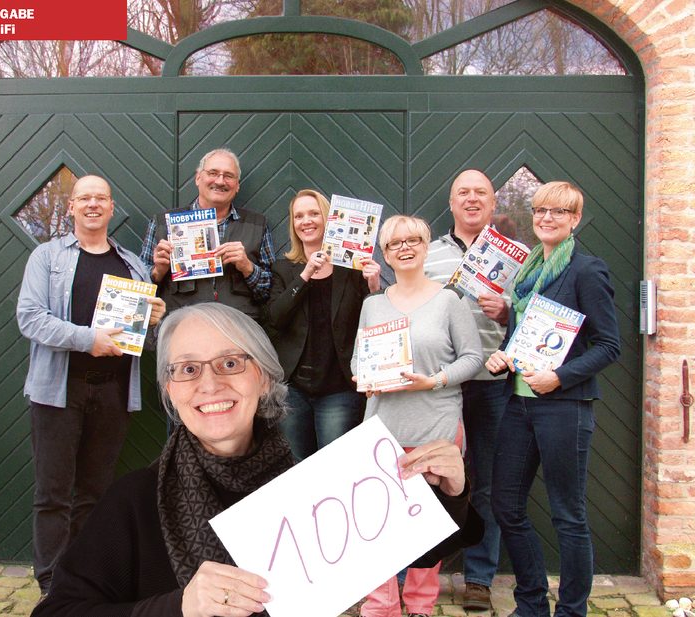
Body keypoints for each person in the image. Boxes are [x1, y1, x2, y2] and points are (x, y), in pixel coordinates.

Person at [31, 302, 483, 617]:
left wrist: (452, 492)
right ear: (170, 389)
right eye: (187, 369)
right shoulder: (133, 501)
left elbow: (416, 551)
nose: (209, 384)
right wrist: (177, 606)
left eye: (230, 363)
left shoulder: (316, 485)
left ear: (264, 378)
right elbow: (58, 612)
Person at [16, 175, 166, 595]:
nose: (93, 204)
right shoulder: (48, 257)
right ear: (72, 207)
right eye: (84, 198)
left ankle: (84, 578)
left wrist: (155, 321)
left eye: (101, 197)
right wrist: (89, 339)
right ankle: (51, 583)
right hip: (59, 391)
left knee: (95, 493)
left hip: (113, 393)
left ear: (112, 207)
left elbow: (142, 342)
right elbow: (30, 318)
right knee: (53, 494)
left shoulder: (133, 265)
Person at [485, 181, 621, 617]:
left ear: (575, 219)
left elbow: (609, 345)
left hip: (563, 407)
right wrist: (502, 356)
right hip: (518, 403)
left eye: (559, 212)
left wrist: (559, 378)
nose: (547, 218)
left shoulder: (586, 270)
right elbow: (525, 335)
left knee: (568, 514)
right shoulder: (528, 270)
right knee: (506, 505)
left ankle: (571, 611)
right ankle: (531, 604)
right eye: (541, 210)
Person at [353, 215, 483, 617]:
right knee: (378, 525)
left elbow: (473, 358)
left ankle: (421, 604)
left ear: (426, 247)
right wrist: (364, 378)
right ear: (385, 254)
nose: (405, 248)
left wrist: (434, 380)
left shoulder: (449, 301)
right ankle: (381, 605)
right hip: (383, 428)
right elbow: (359, 359)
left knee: (429, 523)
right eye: (395, 243)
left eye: (413, 240)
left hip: (436, 427)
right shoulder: (372, 304)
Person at [424, 169, 513, 610]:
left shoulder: (514, 258)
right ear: (451, 202)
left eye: (481, 193)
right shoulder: (428, 253)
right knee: (429, 479)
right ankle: (418, 576)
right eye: (463, 192)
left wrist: (507, 314)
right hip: (439, 386)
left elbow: (533, 320)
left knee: (487, 484)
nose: (472, 199)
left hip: (492, 387)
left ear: (493, 203)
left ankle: (478, 578)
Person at [267, 189, 381, 461]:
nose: (306, 221)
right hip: (294, 389)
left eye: (313, 213)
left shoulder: (353, 269)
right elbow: (275, 318)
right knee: (296, 466)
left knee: (335, 465)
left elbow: (373, 319)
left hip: (340, 389)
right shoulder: (283, 269)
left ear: (330, 218)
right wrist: (305, 274)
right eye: (299, 216)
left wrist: (374, 285)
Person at [140, 148, 274, 323]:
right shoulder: (162, 223)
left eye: (228, 176)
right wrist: (158, 271)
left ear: (237, 185)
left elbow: (271, 291)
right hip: (183, 326)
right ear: (198, 178)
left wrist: (247, 267)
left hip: (238, 327)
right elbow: (139, 288)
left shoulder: (258, 224)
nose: (220, 181)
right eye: (213, 173)